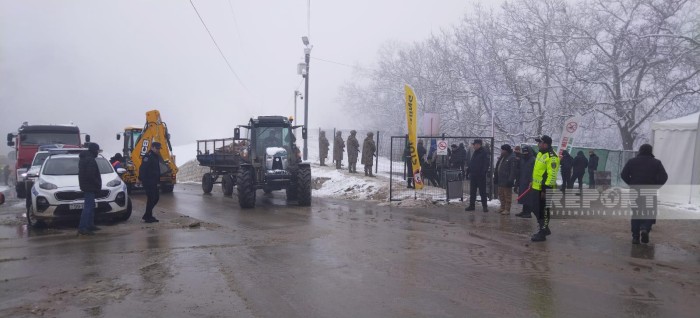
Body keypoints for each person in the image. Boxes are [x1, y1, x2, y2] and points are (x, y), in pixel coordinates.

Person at [620, 144, 668, 244]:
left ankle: (635, 237)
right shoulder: (656, 163)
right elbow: (664, 177)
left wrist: (631, 183)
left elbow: (623, 174)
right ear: (651, 151)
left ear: (640, 151)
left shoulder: (632, 161)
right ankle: (645, 228)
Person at [530, 135, 560, 242]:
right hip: (536, 186)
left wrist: (544, 189)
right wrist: (532, 181)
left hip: (545, 188)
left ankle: (542, 232)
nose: (538, 144)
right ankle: (544, 227)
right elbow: (538, 171)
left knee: (543, 210)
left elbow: (551, 175)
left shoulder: (552, 157)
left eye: (540, 142)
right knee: (534, 208)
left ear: (545, 144)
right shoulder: (540, 153)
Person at [78, 143, 102, 236]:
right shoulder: (90, 160)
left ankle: (90, 225)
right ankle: (83, 227)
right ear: (94, 150)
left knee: (90, 206)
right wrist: (97, 183)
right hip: (90, 186)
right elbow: (91, 175)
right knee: (88, 208)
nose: (97, 152)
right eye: (97, 150)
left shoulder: (84, 158)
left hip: (86, 185)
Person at [139, 141, 162, 223]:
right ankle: (148, 217)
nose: (158, 150)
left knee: (155, 198)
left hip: (154, 181)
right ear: (152, 147)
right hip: (148, 181)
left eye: (159, 148)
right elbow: (142, 169)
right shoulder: (148, 156)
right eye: (157, 148)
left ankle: (147, 215)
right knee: (152, 198)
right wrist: (142, 180)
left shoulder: (155, 156)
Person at [465, 139, 489, 212]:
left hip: (480, 175)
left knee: (482, 192)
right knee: (472, 191)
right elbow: (472, 162)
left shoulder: (484, 152)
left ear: (479, 145)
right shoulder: (475, 152)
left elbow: (486, 163)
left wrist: (483, 172)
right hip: (473, 175)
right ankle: (472, 206)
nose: (474, 146)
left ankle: (485, 206)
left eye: (475, 145)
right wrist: (468, 171)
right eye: (473, 145)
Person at [495, 144, 517, 215]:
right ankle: (502, 207)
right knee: (501, 194)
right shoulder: (503, 157)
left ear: (506, 150)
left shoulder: (512, 157)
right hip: (501, 179)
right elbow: (498, 166)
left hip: (507, 180)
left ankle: (507, 209)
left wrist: (510, 180)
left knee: (507, 195)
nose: (501, 151)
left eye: (503, 150)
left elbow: (513, 170)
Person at [515, 146, 536, 218]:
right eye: (524, 152)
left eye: (526, 152)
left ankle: (528, 212)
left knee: (529, 196)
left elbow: (535, 171)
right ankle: (524, 211)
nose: (525, 153)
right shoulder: (523, 159)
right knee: (524, 196)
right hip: (522, 179)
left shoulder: (533, 159)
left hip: (529, 180)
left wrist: (532, 180)